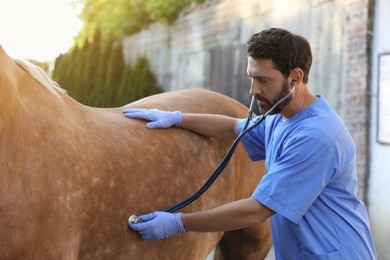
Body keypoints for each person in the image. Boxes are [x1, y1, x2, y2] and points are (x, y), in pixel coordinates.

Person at [123, 28, 377, 259]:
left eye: (263, 80)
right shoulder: (284, 117)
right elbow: (233, 126)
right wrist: (177, 118)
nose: (253, 91)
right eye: (251, 78)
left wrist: (178, 223)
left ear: (295, 78)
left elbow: (256, 211)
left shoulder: (316, 136)